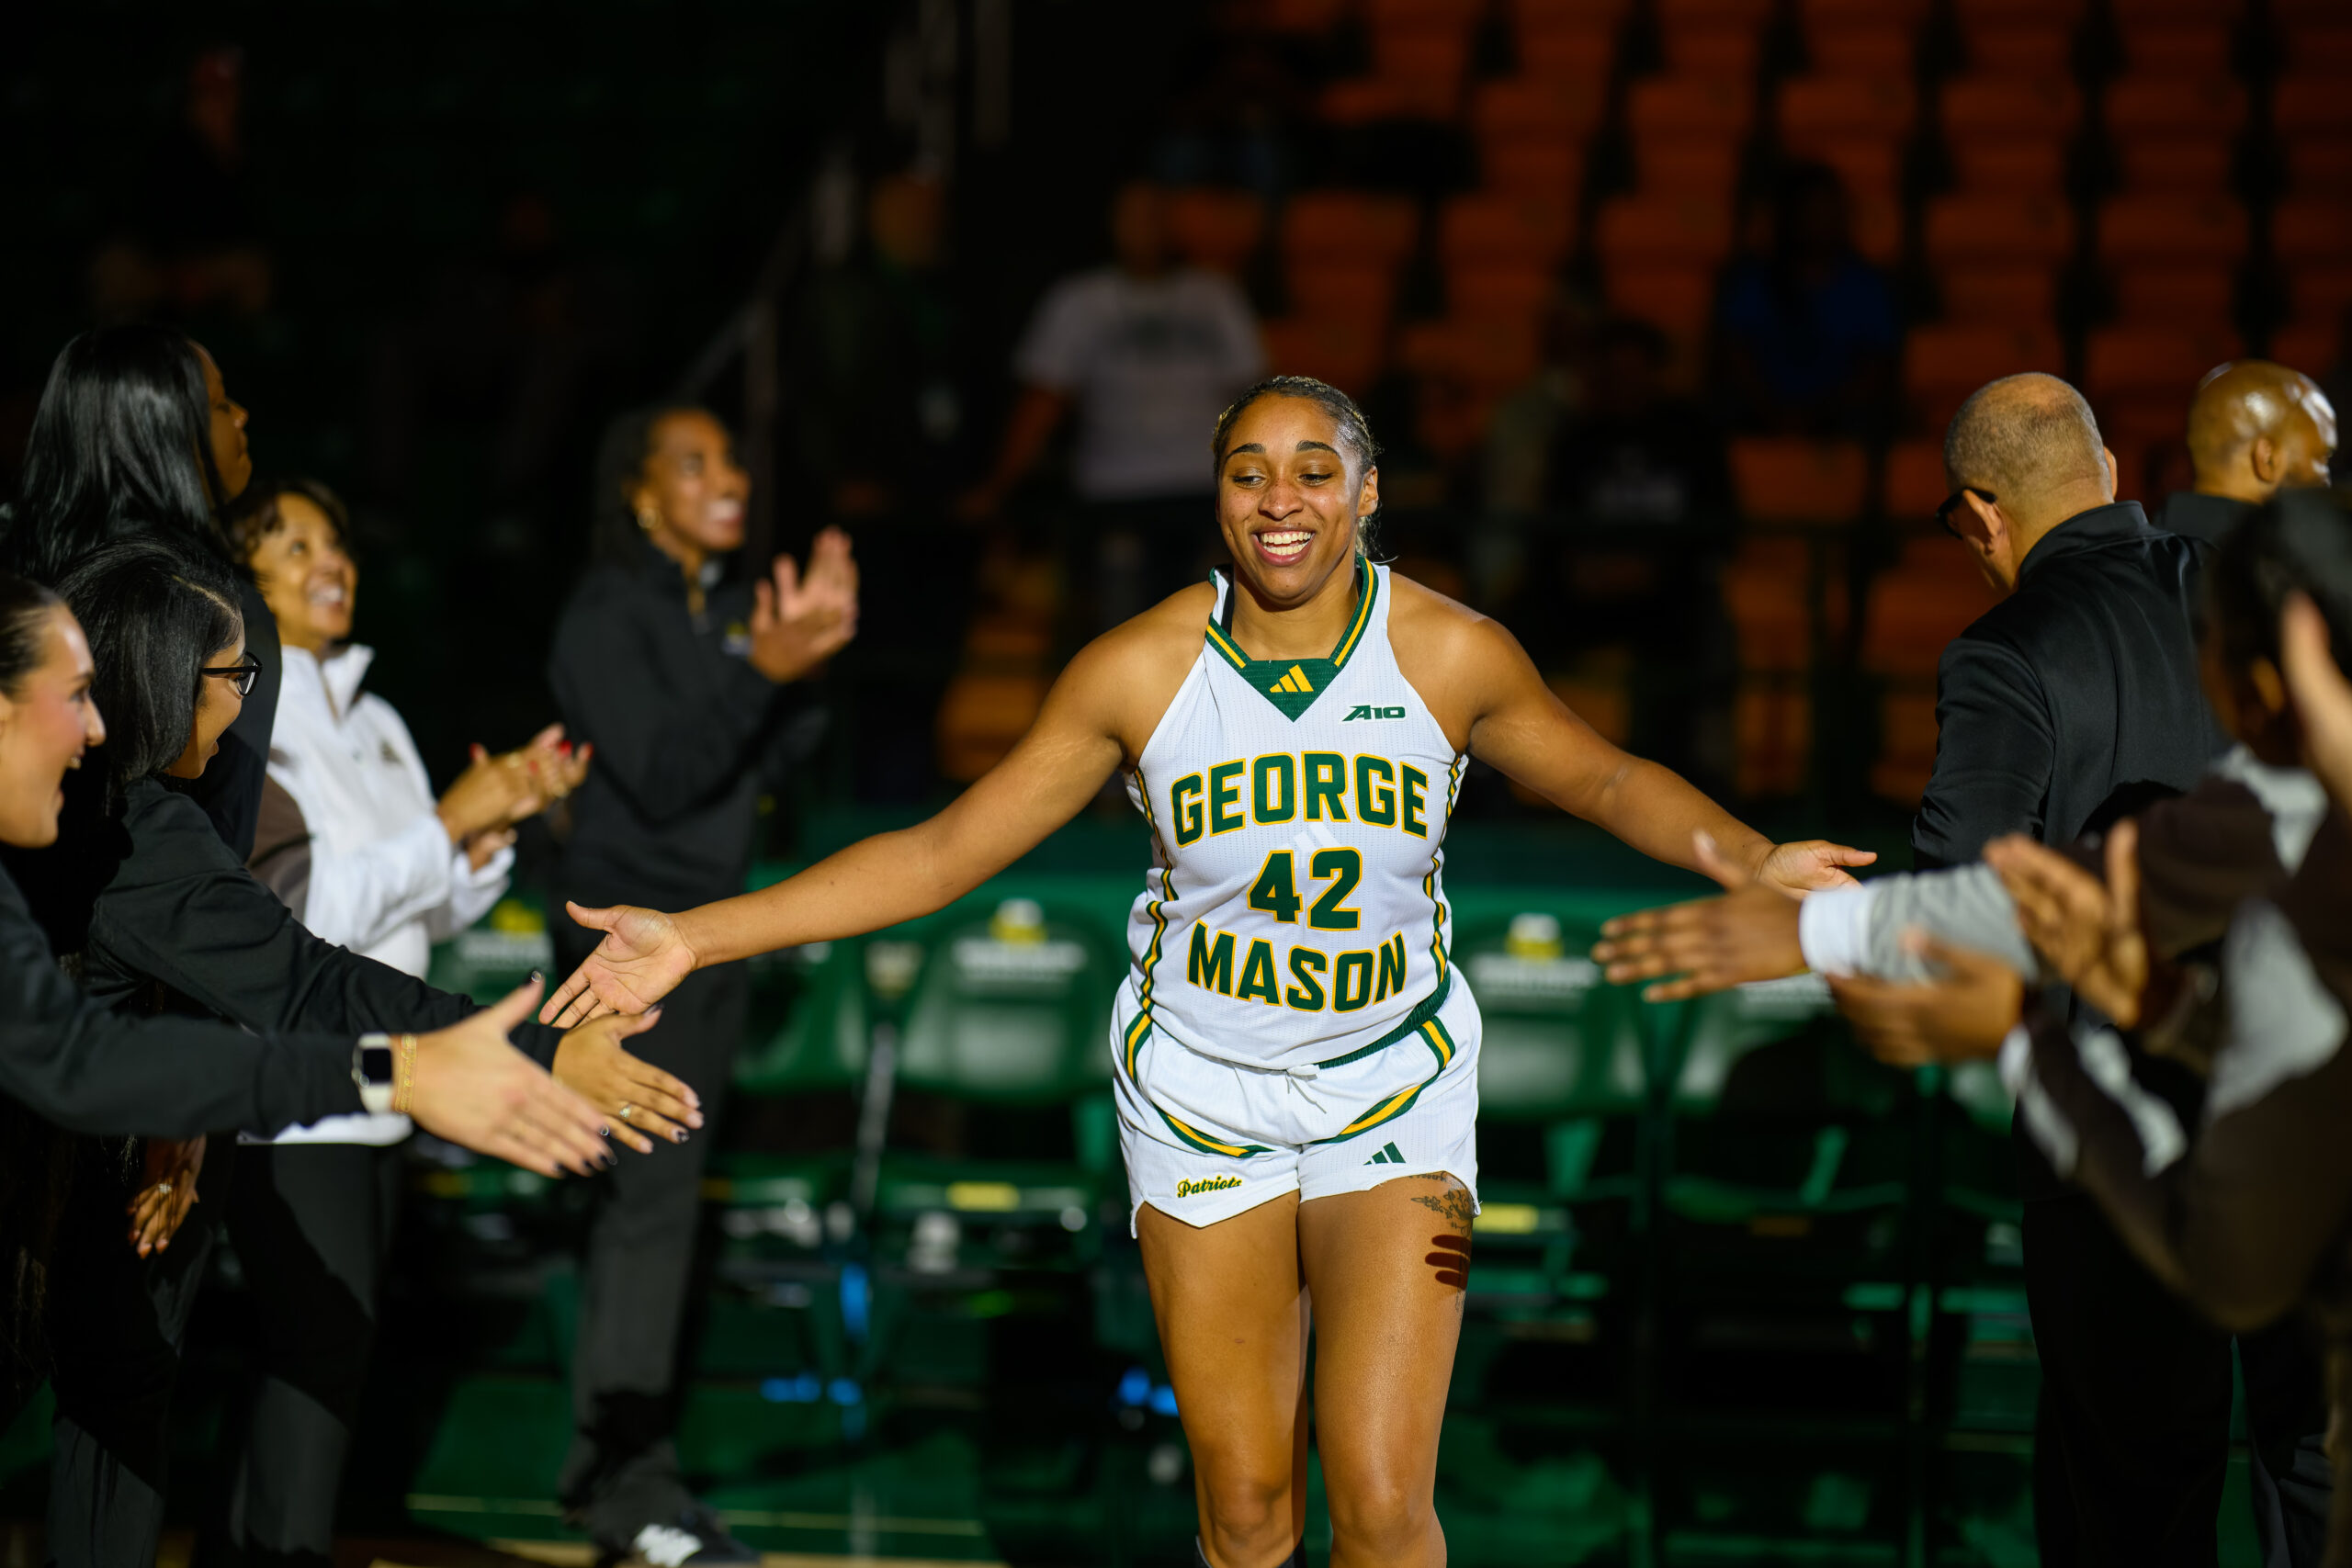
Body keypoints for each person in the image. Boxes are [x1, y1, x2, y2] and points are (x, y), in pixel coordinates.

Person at [541, 376, 1871, 1567]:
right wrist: (701, 930)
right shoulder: (1138, 667)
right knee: (1244, 1513)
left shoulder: (1449, 650)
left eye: (1312, 467)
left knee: (1383, 1495)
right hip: (1200, 1097)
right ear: (1216, 497)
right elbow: (945, 850)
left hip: (1390, 1091)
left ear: (1365, 491)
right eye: (1248, 470)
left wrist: (1750, 855)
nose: (1279, 496)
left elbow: (1606, 774)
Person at [1595, 482, 2348, 1565]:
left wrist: (2015, 1026)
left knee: (2145, 1482)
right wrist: (1831, 927)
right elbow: (2077, 899)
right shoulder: (2250, 804)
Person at [10, 538, 692, 1568]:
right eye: (232, 677)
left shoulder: (129, 822)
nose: (244, 708)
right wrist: (470, 1060)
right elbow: (264, 993)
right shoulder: (126, 835)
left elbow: (289, 980)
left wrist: (526, 1047)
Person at [213, 475, 590, 1568]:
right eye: (294, 546)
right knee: (316, 1357)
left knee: (313, 1360)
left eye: (338, 543)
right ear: (242, 575)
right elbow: (301, 918)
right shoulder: (249, 710)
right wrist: (442, 824)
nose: (330, 562)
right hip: (297, 1090)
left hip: (389, 1086)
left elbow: (424, 902)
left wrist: (489, 833)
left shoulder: (373, 714)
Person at [544, 404, 856, 1562]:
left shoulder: (723, 612)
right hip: (624, 958)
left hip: (703, 941)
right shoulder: (603, 616)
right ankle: (625, 1491)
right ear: (639, 494)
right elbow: (670, 778)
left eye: (729, 460)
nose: (726, 478)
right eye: (695, 463)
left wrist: (807, 658)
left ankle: (618, 1471)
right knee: (642, 1216)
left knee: (660, 1217)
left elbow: (767, 760)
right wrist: (758, 670)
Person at [3, 322, 277, 859]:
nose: (242, 416)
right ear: (165, 433)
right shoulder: (210, 607)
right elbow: (221, 838)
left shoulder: (20, 574)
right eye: (220, 406)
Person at [960, 178, 1265, 628]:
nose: (1145, 229)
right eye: (1133, 217)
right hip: (1113, 494)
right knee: (1122, 630)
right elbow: (1043, 402)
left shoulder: (1215, 295)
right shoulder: (1079, 301)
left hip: (1207, 494)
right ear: (1112, 225)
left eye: (1155, 216)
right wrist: (999, 486)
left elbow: (1255, 400)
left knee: (1216, 629)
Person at [1714, 162, 1900, 438]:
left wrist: (1824, 416)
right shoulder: (1752, 280)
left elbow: (1875, 367)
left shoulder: (1867, 286)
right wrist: (1772, 414)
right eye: (1810, 211)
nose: (1818, 221)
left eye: (1827, 211)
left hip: (1841, 423)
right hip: (1760, 417)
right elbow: (1735, 355)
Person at [2160, 359, 2340, 549]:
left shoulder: (2139, 559)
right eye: (2321, 458)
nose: (2327, 479)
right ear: (2268, 459)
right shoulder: (2275, 569)